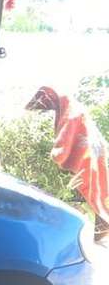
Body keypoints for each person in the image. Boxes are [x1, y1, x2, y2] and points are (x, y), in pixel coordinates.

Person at [26, 85, 109, 244]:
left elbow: (65, 139)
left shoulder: (71, 112)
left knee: (88, 190)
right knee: (95, 192)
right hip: (94, 155)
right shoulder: (72, 108)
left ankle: (100, 227)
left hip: (87, 156)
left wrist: (58, 153)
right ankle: (101, 226)